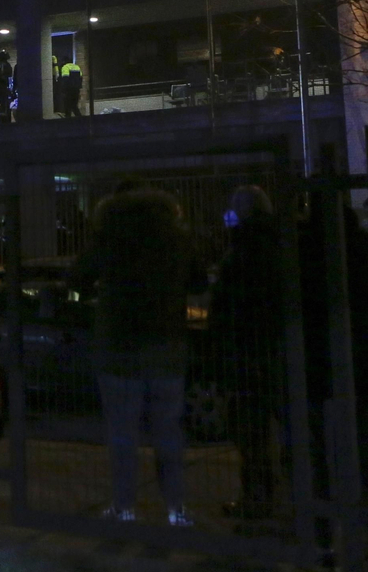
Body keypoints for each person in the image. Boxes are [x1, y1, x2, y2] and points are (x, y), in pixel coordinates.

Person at [71, 188, 206, 526]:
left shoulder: (109, 239)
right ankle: (176, 509)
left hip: (119, 349)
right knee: (168, 432)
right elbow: (199, 281)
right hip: (166, 345)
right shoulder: (176, 240)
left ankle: (124, 507)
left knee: (122, 434)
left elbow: (77, 277)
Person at [210, 185, 286, 519]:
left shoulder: (239, 253)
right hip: (281, 350)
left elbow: (224, 311)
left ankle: (257, 499)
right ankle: (297, 498)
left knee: (251, 435)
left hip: (246, 354)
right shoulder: (285, 246)